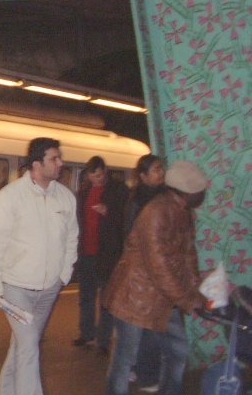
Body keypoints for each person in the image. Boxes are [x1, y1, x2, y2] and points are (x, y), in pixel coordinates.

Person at [0, 137, 78, 395]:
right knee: (29, 346)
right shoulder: (9, 197)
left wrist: (63, 274)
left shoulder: (66, 198)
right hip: (16, 289)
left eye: (60, 157)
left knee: (22, 345)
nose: (61, 163)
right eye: (54, 159)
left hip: (48, 290)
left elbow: (71, 237)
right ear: (36, 164)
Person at [103, 160, 208, 395]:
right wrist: (188, 300)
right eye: (199, 190)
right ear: (186, 192)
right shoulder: (156, 212)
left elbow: (188, 256)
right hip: (135, 297)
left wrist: (196, 291)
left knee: (178, 352)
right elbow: (159, 266)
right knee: (125, 360)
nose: (203, 194)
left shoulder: (183, 212)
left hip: (163, 297)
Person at [73, 156, 128, 354]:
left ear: (106, 171)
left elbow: (126, 218)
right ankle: (86, 333)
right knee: (85, 295)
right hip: (86, 251)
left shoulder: (119, 190)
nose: (99, 179)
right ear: (88, 175)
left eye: (101, 174)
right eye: (94, 176)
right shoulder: (84, 192)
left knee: (106, 298)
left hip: (107, 253)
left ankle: (103, 340)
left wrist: (108, 212)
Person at [124, 154, 166, 393]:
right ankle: (146, 374)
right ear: (143, 176)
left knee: (147, 327)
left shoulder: (163, 198)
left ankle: (140, 368)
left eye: (162, 168)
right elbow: (131, 239)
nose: (161, 173)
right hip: (143, 272)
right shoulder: (138, 202)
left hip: (156, 271)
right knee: (145, 327)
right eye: (157, 169)